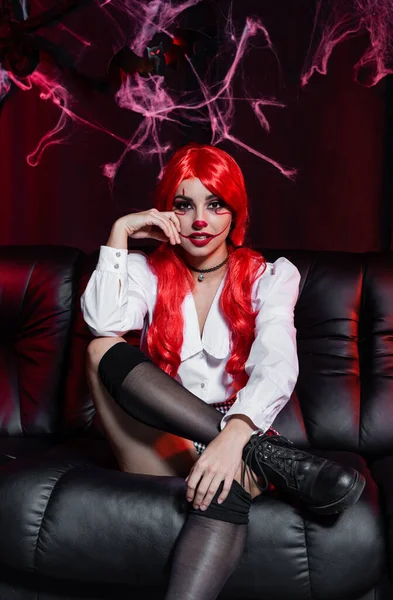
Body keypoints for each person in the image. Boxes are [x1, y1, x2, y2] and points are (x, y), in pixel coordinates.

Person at [81, 143, 365, 600]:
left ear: (235, 213)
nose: (199, 220)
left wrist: (233, 438)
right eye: (184, 204)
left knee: (221, 488)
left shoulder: (268, 277)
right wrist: (122, 229)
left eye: (215, 205)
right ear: (166, 211)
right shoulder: (145, 272)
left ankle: (251, 452)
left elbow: (277, 360)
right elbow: (102, 321)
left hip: (240, 434)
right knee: (100, 348)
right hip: (161, 442)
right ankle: (267, 457)